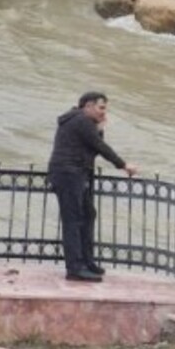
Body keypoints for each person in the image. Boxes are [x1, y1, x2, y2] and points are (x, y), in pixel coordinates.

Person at [47, 92, 139, 282]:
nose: (104, 112)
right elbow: (99, 146)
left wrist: (99, 128)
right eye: (101, 108)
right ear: (88, 106)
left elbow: (92, 146)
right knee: (72, 221)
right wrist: (123, 165)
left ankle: (87, 261)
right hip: (68, 174)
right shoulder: (80, 120)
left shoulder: (84, 122)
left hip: (78, 174)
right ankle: (75, 268)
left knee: (88, 215)